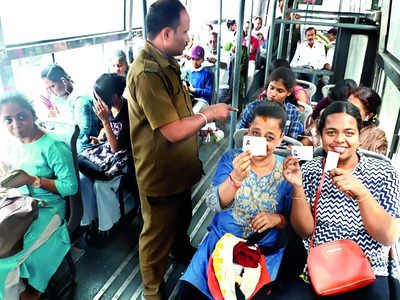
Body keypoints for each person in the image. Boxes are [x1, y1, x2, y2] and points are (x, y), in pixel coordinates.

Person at [126, 1, 236, 299]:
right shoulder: (148, 73)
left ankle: (180, 249)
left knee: (181, 216)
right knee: (155, 234)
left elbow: (176, 115)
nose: (189, 37)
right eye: (184, 31)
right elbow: (171, 130)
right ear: (165, 33)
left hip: (179, 170)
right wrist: (208, 115)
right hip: (160, 174)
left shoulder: (167, 63)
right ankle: (152, 291)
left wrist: (199, 126)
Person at [277, 101, 400, 300]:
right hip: (318, 266)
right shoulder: (310, 170)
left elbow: (388, 237)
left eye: (349, 133)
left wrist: (362, 194)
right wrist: (297, 185)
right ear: (321, 135)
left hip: (368, 269)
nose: (339, 140)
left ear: (359, 136)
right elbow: (304, 231)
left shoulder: (385, 174)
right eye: (331, 132)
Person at [179, 101, 293, 299]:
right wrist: (235, 178)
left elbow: (298, 224)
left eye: (270, 137)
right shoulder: (231, 159)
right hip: (219, 245)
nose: (261, 142)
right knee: (188, 295)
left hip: (261, 255)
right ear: (248, 132)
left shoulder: (288, 171)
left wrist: (278, 219)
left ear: (280, 139)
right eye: (256, 134)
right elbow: (213, 204)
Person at [0, 91, 78, 300]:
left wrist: (32, 180)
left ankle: (29, 292)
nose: (15, 124)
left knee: (6, 261)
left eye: (21, 116)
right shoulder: (13, 145)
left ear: (33, 115)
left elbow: (70, 187)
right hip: (22, 204)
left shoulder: (53, 146)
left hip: (49, 209)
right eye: (8, 119)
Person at [79, 73, 135, 242]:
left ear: (114, 97)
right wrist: (102, 135)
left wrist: (104, 122)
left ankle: (108, 226)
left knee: (100, 186)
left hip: (124, 160)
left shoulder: (128, 114)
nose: (97, 102)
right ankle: (89, 220)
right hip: (108, 155)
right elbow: (107, 133)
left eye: (99, 98)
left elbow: (117, 148)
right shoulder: (109, 109)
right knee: (83, 180)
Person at [41, 64, 101, 153]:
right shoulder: (57, 97)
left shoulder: (80, 100)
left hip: (86, 143)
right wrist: (51, 114)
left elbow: (82, 133)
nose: (50, 92)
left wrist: (57, 119)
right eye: (47, 88)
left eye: (52, 86)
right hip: (69, 141)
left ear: (63, 81)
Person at [238, 67, 302, 140]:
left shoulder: (294, 112)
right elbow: (241, 134)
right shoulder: (252, 108)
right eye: (271, 88)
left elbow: (292, 140)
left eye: (280, 91)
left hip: (281, 150)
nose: (273, 94)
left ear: (289, 92)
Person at [348, 87, 388, 155]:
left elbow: (377, 163)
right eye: (346, 105)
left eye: (354, 109)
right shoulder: (333, 122)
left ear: (369, 115)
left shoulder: (376, 137)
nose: (346, 111)